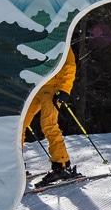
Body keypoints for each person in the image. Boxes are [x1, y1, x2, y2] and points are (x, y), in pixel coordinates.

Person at [23, 47, 80, 186]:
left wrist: (64, 89)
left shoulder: (60, 39)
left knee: (48, 125)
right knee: (18, 126)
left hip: (53, 87)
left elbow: (69, 65)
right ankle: (16, 164)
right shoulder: (36, 39)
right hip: (35, 87)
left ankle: (62, 166)